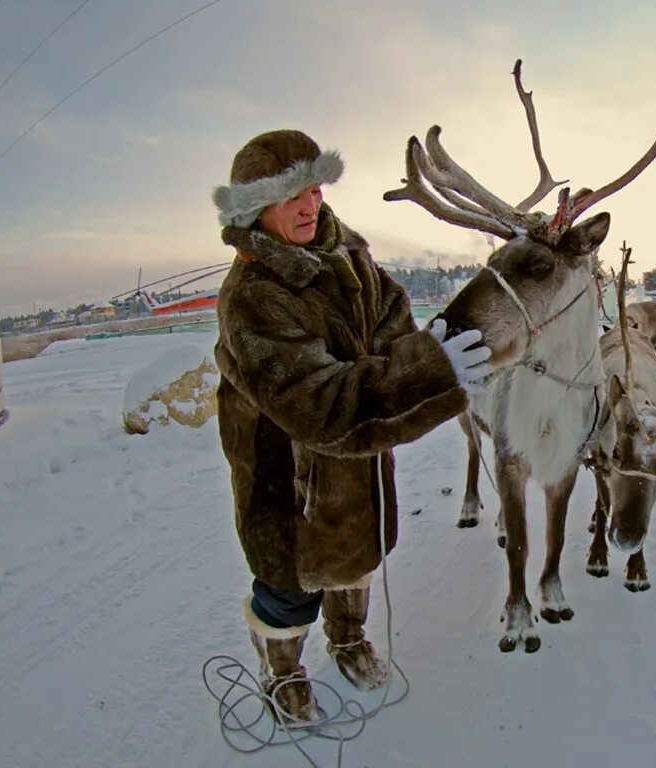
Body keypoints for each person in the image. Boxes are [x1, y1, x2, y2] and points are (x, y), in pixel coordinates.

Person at [211, 129, 490, 725]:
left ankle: (346, 637)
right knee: (290, 588)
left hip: (357, 464)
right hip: (288, 481)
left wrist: (421, 353)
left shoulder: (351, 254)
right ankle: (282, 666)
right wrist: (425, 376)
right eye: (292, 197)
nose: (310, 205)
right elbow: (321, 407)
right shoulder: (251, 297)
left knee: (355, 560)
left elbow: (393, 326)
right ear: (254, 207)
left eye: (314, 188)